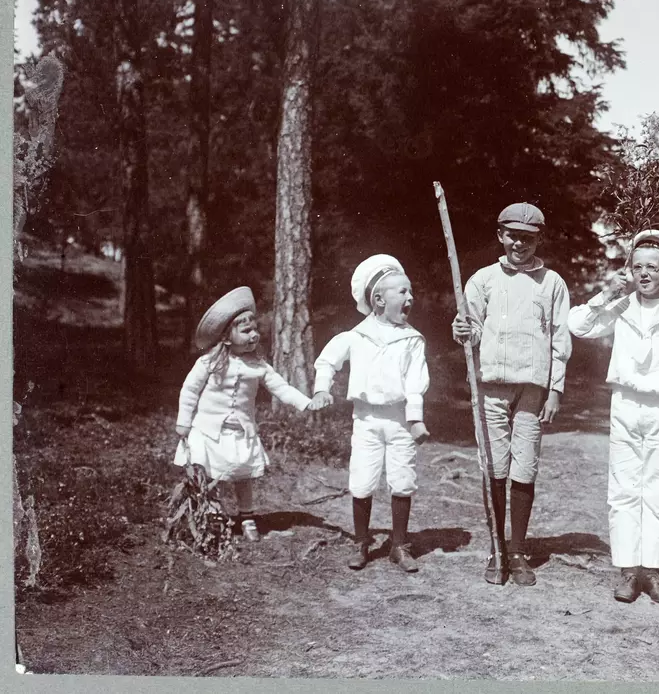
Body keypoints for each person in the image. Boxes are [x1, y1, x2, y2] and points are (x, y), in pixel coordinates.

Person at [568, 229, 659, 604]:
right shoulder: (621, 307)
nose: (644, 274)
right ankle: (628, 571)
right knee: (623, 490)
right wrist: (607, 293)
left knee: (657, 493)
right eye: (637, 266)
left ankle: (653, 570)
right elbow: (578, 326)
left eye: (653, 268)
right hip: (625, 405)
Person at [451, 203, 572, 586]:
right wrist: (462, 330)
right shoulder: (482, 280)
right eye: (513, 236)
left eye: (527, 238)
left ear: (539, 239)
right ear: (500, 236)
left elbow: (560, 340)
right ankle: (497, 549)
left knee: (524, 466)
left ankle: (517, 551)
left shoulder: (551, 283)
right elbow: (470, 328)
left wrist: (555, 391)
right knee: (495, 467)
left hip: (532, 390)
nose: (519, 244)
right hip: (490, 387)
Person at [310, 254, 431, 572]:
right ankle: (361, 542)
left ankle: (399, 545)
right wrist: (322, 388)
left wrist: (415, 419)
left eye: (411, 291)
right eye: (402, 292)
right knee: (362, 480)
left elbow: (416, 382)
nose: (410, 297)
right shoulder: (356, 337)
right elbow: (327, 361)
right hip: (366, 420)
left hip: (400, 420)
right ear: (379, 300)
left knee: (402, 479)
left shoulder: (411, 340)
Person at [175, 286, 315, 542]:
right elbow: (190, 390)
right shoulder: (208, 362)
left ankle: (247, 517)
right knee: (210, 473)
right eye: (246, 331)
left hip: (240, 431)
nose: (254, 335)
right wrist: (184, 422)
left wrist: (306, 403)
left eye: (255, 329)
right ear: (227, 337)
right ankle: (212, 514)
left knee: (243, 476)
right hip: (208, 430)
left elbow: (281, 388)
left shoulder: (258, 366)